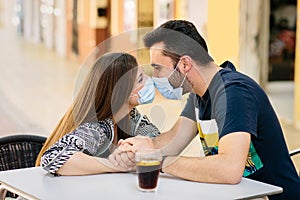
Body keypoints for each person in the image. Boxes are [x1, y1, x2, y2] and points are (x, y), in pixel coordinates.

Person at [109, 20, 300, 200]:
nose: (155, 76)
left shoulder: (234, 92)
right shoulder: (199, 94)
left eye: (158, 68)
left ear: (184, 64)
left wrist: (158, 160)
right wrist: (138, 147)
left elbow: (229, 169)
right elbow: (173, 139)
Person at [35, 52, 160, 176]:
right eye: (140, 79)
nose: (148, 80)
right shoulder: (98, 127)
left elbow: (157, 143)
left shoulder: (132, 118)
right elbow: (52, 159)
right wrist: (118, 165)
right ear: (122, 91)